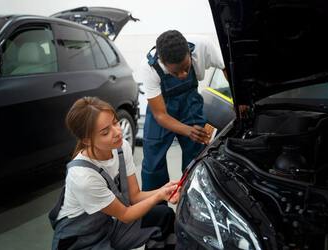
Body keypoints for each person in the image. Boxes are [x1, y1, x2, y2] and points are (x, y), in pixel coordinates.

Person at [49, 97, 180, 250]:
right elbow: (125, 214)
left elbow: (135, 196)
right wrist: (158, 196)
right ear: (86, 140)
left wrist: (164, 191)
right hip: (79, 241)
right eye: (105, 132)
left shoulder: (121, 148)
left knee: (163, 216)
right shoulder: (82, 177)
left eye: (115, 122)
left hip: (108, 227)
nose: (117, 132)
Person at [138, 30, 225, 191]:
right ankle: (157, 211)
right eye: (175, 72)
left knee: (197, 155)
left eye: (186, 67)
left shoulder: (203, 45)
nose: (183, 74)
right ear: (163, 62)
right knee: (153, 162)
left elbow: (226, 67)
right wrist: (187, 130)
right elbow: (160, 115)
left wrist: (240, 98)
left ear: (189, 53)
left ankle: (193, 198)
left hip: (190, 103)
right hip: (162, 108)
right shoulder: (149, 68)